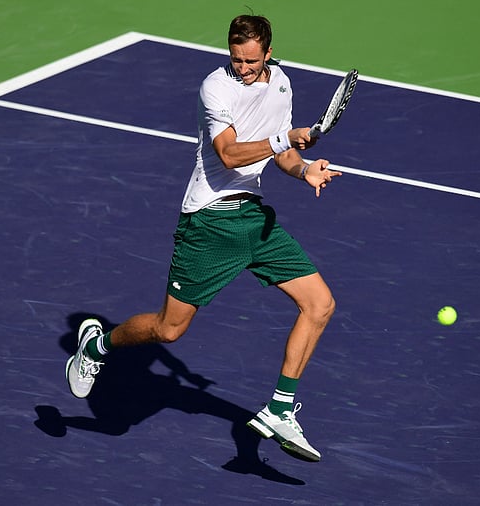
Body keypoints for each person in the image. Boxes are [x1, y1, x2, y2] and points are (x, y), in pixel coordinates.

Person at [66, 14, 341, 462]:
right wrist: (282, 139)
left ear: (268, 53)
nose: (243, 68)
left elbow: (284, 154)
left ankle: (280, 409)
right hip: (209, 221)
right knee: (168, 330)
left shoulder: (282, 85)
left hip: (252, 217)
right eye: (236, 59)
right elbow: (230, 154)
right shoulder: (216, 87)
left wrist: (305, 168)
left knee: (320, 304)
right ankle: (97, 345)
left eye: (252, 61)